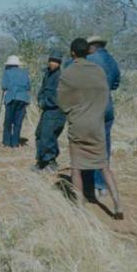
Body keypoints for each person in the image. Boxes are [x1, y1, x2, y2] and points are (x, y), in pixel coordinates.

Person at [57, 38, 123, 219]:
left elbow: (62, 103)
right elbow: (106, 95)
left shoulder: (68, 72)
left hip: (78, 124)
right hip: (97, 123)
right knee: (103, 166)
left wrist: (74, 112)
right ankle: (117, 204)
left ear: (72, 53)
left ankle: (79, 206)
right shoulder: (99, 71)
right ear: (89, 51)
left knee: (76, 167)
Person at [86, 35, 121, 196]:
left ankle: (92, 183)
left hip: (93, 108)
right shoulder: (112, 60)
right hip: (108, 107)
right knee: (105, 145)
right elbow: (116, 84)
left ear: (92, 46)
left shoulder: (89, 59)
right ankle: (102, 184)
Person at [32, 49, 66, 172]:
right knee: (39, 134)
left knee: (48, 136)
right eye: (51, 60)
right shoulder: (47, 74)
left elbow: (58, 98)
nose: (53, 63)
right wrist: (40, 100)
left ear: (60, 63)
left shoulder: (61, 77)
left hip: (56, 111)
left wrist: (44, 103)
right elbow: (42, 90)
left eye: (56, 61)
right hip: (47, 110)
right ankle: (44, 160)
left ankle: (48, 163)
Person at [1, 55, 31, 148]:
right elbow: (28, 87)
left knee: (8, 122)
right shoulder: (25, 73)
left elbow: (4, 86)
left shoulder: (7, 72)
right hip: (23, 99)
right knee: (18, 122)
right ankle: (15, 143)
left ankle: (6, 143)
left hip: (11, 98)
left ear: (9, 64)